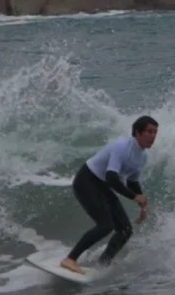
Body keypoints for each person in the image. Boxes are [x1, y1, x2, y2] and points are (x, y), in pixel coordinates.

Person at [59, 116, 158, 275]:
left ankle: (102, 264)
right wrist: (134, 197)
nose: (153, 136)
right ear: (137, 133)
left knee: (125, 230)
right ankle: (70, 259)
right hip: (87, 181)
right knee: (105, 225)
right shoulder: (122, 146)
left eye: (155, 132)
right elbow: (112, 177)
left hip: (103, 186)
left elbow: (132, 182)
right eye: (149, 131)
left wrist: (143, 204)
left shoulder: (142, 156)